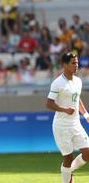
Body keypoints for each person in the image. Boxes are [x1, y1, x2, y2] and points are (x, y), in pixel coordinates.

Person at [46, 52, 89, 183]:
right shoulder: (57, 83)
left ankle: (69, 171)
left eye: (77, 63)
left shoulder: (78, 81)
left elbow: (76, 99)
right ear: (64, 65)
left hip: (75, 124)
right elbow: (49, 103)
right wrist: (64, 109)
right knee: (68, 158)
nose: (76, 65)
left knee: (87, 152)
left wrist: (86, 114)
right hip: (61, 126)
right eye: (73, 63)